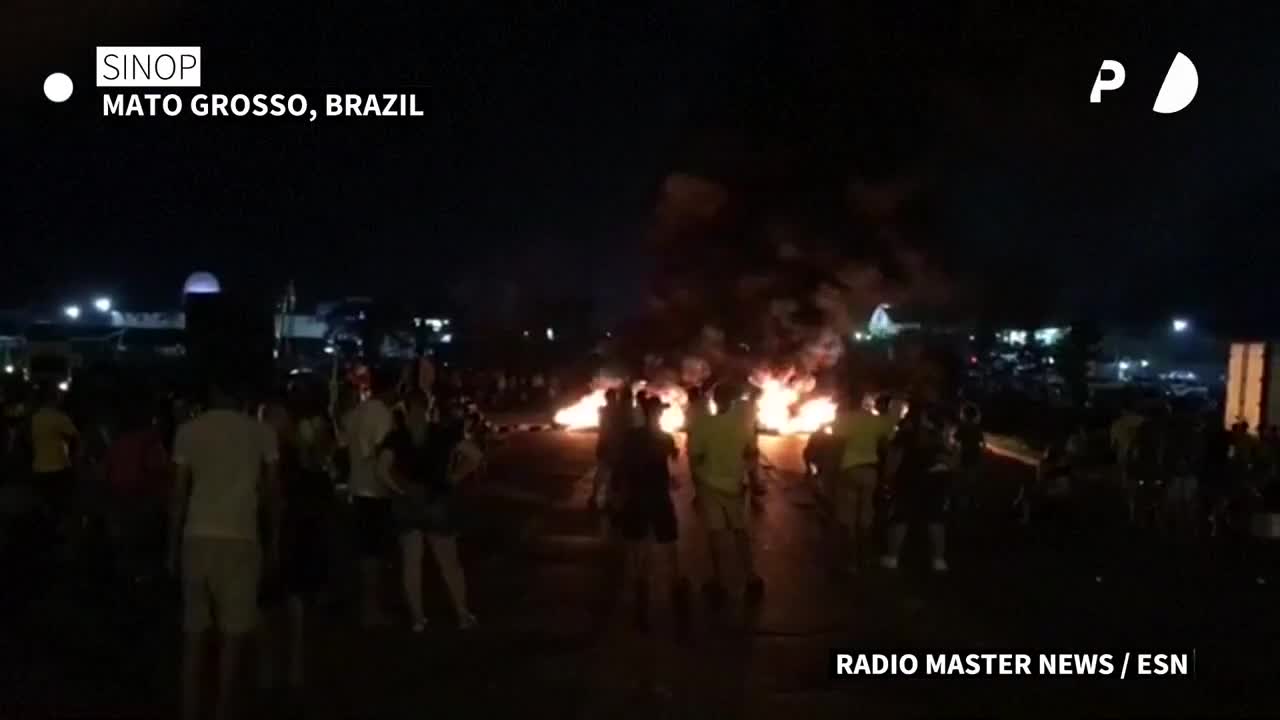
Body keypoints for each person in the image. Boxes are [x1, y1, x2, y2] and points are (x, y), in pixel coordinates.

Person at [169, 384, 280, 720]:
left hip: (197, 534)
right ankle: (221, 710)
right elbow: (273, 494)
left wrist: (171, 547)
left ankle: (190, 710)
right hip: (241, 536)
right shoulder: (261, 433)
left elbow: (177, 495)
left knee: (194, 635)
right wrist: (274, 540)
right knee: (232, 635)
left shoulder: (188, 432)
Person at [614, 395, 687, 629]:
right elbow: (673, 468)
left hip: (636, 496)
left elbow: (621, 466)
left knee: (638, 543)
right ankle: (676, 585)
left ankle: (640, 586)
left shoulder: (631, 437)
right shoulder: (665, 439)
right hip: (658, 496)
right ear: (658, 414)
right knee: (668, 541)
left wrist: (618, 495)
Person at [688, 383, 763, 604]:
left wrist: (697, 487)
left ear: (714, 400)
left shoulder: (704, 424)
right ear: (732, 401)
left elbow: (694, 458)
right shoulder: (742, 426)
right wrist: (748, 475)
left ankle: (719, 580)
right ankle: (751, 576)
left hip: (709, 485)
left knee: (716, 534)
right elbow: (752, 454)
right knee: (740, 530)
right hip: (735, 485)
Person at [341, 370, 396, 626]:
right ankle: (371, 609)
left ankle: (366, 606)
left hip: (357, 487)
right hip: (376, 490)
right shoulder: (382, 415)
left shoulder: (357, 413)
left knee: (364, 551)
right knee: (374, 553)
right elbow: (382, 453)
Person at [828, 385, 896, 573]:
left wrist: (832, 472)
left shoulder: (842, 419)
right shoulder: (873, 419)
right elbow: (886, 441)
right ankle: (865, 558)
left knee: (848, 519)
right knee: (865, 518)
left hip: (849, 470)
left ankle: (851, 562)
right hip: (870, 471)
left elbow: (836, 447)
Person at [103, 401, 170, 585]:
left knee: (126, 548)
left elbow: (107, 473)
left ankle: (126, 584)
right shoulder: (150, 441)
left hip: (120, 500)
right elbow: (159, 470)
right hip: (144, 501)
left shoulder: (117, 443)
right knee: (145, 546)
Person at [880, 404, 951, 572]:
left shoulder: (905, 436)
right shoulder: (939, 437)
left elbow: (893, 460)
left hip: (908, 481)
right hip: (934, 483)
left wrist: (887, 479)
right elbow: (948, 460)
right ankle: (938, 560)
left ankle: (892, 557)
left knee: (900, 518)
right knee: (935, 519)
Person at [30, 383, 80, 539]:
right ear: (54, 398)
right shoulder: (59, 418)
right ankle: (58, 536)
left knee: (45, 504)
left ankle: (44, 535)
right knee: (61, 505)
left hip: (39, 467)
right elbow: (76, 437)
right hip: (59, 466)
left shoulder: (34, 418)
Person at [1110, 404, 1146, 522]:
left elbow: (1114, 446)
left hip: (1125, 460)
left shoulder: (1117, 424)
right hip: (1143, 460)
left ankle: (1131, 515)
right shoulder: (1144, 421)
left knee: (1129, 490)